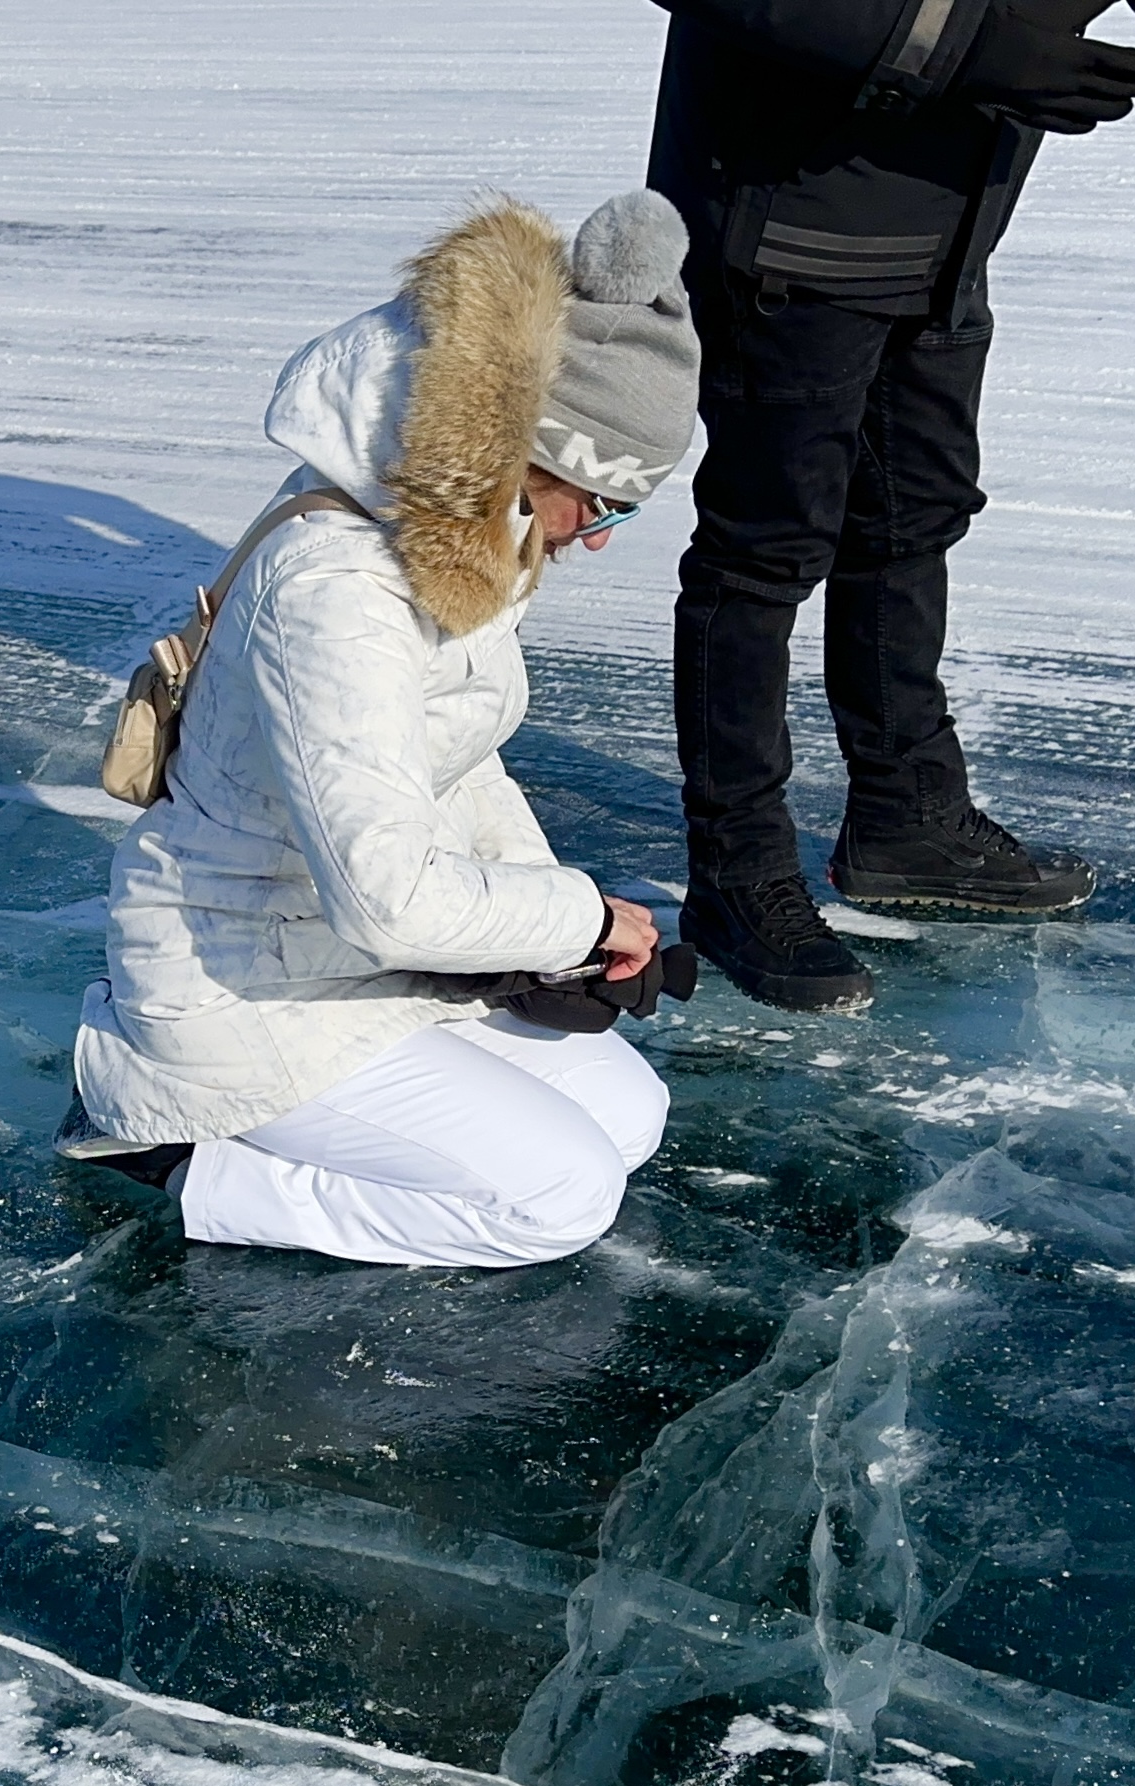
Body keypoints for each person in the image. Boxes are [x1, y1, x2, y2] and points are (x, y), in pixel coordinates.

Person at [66, 191, 699, 1269]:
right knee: (559, 1196)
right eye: (603, 507)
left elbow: (458, 766)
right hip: (239, 982)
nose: (595, 541)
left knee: (628, 1117)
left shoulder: (460, 542)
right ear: (530, 454)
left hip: (340, 955)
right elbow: (386, 895)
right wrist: (572, 920)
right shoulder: (338, 592)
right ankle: (182, 1166)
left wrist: (559, 946)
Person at [651, 0, 1135, 1011]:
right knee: (762, 555)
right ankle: (738, 873)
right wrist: (962, 45)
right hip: (790, 219)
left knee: (911, 517)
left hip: (948, 212)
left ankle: (907, 815)